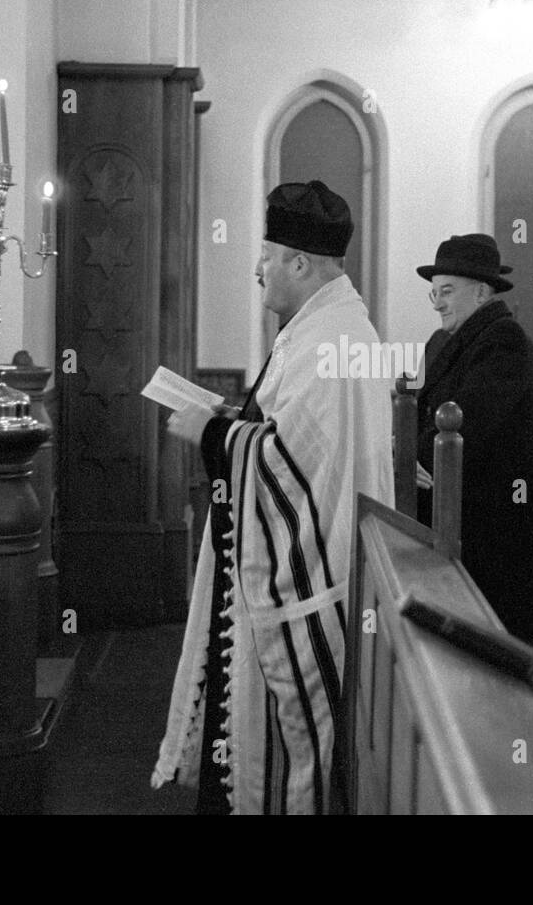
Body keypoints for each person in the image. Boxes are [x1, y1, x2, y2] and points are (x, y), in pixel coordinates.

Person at [153, 180, 393, 815]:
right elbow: (288, 436)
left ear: (299, 262)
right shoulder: (323, 328)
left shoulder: (328, 342)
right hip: (310, 573)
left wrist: (212, 432)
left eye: (266, 254)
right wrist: (230, 418)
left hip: (306, 587)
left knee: (282, 771)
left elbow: (292, 468)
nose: (258, 268)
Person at [413, 234, 533, 671]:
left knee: (487, 655)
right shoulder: (450, 340)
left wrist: (412, 459)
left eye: (447, 290)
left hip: (490, 530)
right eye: (434, 291)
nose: (436, 302)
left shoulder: (504, 341)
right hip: (457, 515)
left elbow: (467, 425)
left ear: (481, 291)